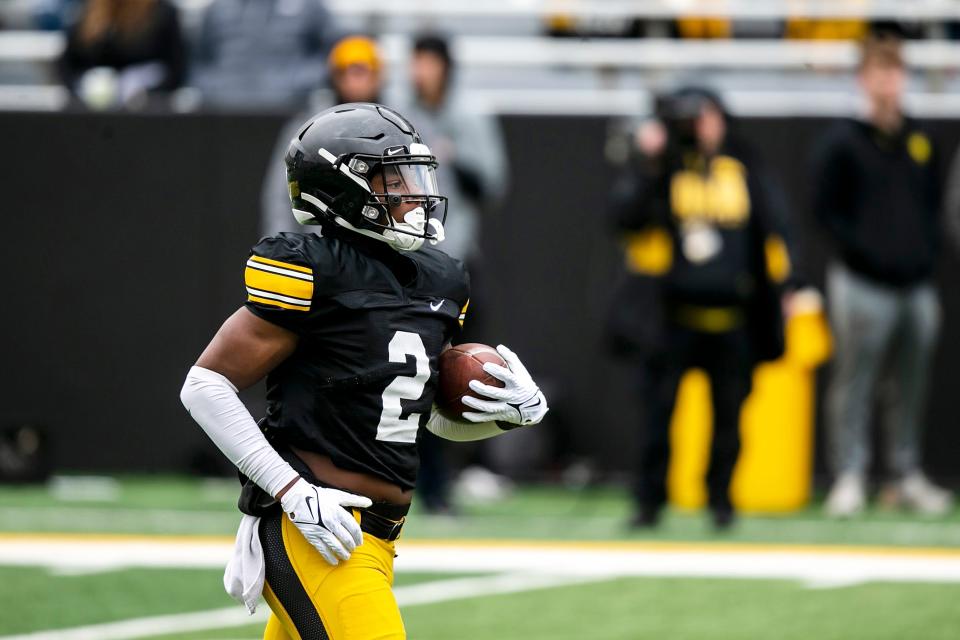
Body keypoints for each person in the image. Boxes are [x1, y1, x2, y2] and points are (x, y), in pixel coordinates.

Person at [180, 103, 548, 639]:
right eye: (392, 180)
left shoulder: (438, 280)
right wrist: (287, 490)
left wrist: (505, 414)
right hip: (316, 528)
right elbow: (205, 385)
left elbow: (410, 415)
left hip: (377, 538)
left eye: (415, 177)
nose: (413, 194)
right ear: (340, 188)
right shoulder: (312, 266)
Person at [607, 87, 795, 530]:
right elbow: (623, 218)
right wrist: (652, 159)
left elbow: (775, 231)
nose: (700, 127)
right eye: (690, 119)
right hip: (672, 319)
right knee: (658, 416)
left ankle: (721, 499)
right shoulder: (664, 170)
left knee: (729, 419)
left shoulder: (742, 168)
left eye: (706, 116)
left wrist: (787, 287)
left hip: (732, 318)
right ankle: (650, 500)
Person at [813, 32, 952, 517]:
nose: (888, 83)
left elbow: (934, 207)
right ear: (863, 79)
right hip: (862, 282)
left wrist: (921, 255)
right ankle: (849, 474)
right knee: (855, 381)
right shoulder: (843, 141)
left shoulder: (921, 139)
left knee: (910, 384)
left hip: (914, 283)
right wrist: (865, 253)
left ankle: (904, 473)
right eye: (879, 73)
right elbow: (825, 211)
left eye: (894, 73)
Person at [398, 33, 508, 265]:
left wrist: (454, 160)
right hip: (404, 245)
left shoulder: (469, 116)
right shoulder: (400, 112)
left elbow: (492, 184)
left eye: (429, 64)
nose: (421, 72)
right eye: (417, 63)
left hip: (456, 242)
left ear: (445, 68)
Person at [261, 35, 384, 237]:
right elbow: (280, 196)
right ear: (334, 77)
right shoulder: (307, 128)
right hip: (319, 248)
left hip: (384, 249)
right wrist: (282, 247)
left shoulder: (399, 127)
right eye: (346, 72)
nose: (354, 82)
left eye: (362, 72)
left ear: (377, 76)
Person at [191, 0, 338, 110]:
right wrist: (213, 87)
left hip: (289, 110)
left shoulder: (309, 6)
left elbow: (331, 52)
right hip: (224, 110)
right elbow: (199, 59)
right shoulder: (217, 9)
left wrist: (301, 82)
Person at [58, 0, 186, 108]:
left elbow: (176, 70)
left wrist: (145, 87)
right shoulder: (87, 12)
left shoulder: (162, 14)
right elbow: (67, 67)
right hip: (94, 113)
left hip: (146, 112)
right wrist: (84, 83)